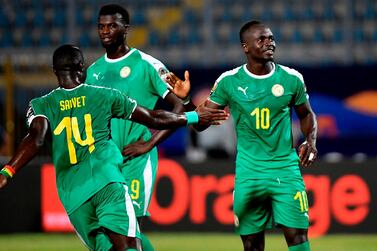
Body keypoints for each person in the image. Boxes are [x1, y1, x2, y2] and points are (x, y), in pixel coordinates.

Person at [0, 45, 228, 251]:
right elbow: (153, 118)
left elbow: (35, 139)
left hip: (73, 195)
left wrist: (7, 171)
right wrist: (192, 115)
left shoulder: (40, 105)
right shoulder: (103, 94)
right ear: (82, 68)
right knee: (129, 243)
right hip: (108, 182)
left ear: (54, 71)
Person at [166, 20, 318, 251]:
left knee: (298, 238)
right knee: (252, 244)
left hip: (285, 170)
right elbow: (200, 125)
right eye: (262, 39)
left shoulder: (291, 78)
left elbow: (307, 115)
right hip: (249, 173)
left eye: (271, 38)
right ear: (245, 47)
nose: (269, 43)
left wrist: (310, 140)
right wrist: (186, 101)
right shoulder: (229, 82)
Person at [85, 4, 189, 250]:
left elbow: (181, 107)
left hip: (136, 159)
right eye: (101, 26)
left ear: (126, 29)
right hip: (106, 162)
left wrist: (150, 143)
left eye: (112, 25)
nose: (105, 31)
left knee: (129, 229)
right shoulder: (93, 72)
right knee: (112, 232)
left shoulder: (148, 64)